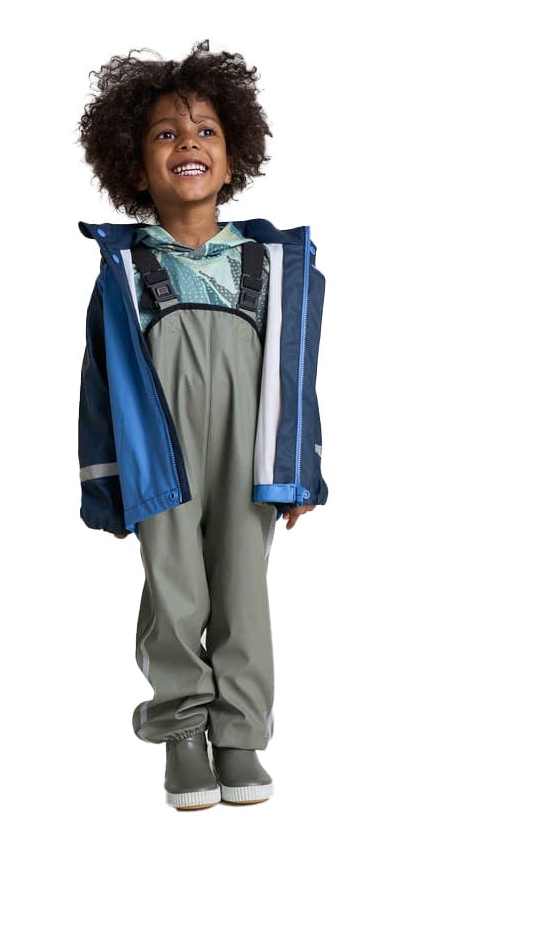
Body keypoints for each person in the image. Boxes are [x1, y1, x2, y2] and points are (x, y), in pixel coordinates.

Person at [77, 41, 327, 810]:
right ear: (135, 166)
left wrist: (298, 468)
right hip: (160, 451)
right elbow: (99, 385)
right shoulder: (125, 270)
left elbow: (295, 371)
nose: (187, 142)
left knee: (243, 586)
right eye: (165, 133)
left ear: (232, 157)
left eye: (205, 131)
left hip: (246, 451)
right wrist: (107, 485)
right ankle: (183, 732)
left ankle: (240, 734)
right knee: (176, 587)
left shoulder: (270, 263)